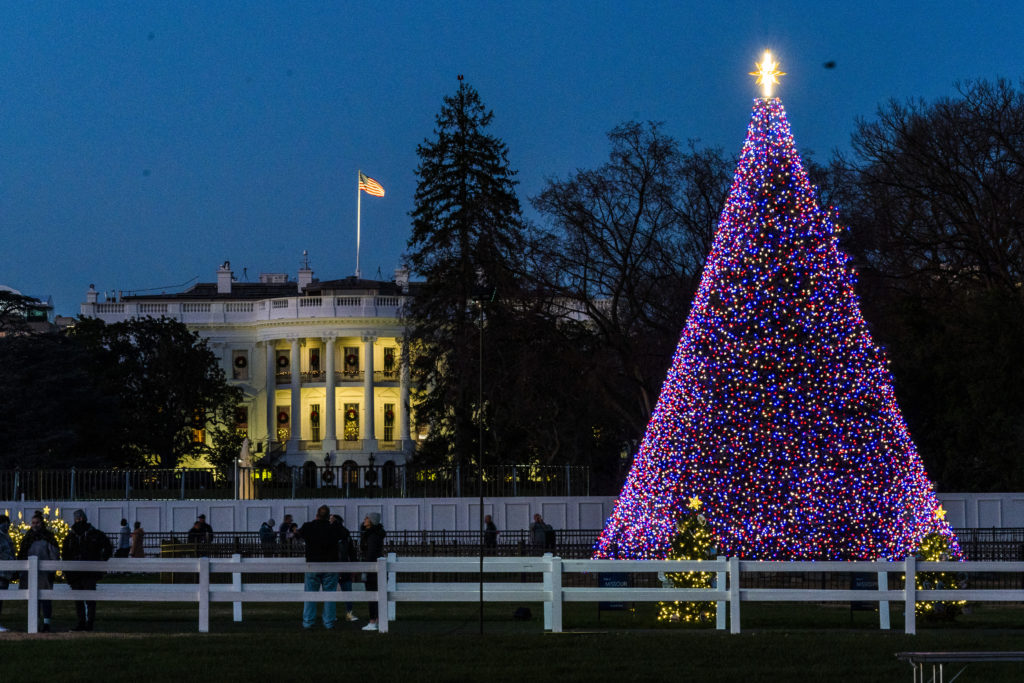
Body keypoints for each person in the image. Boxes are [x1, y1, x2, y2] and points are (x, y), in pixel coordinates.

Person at [61, 509, 113, 631]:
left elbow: (108, 547)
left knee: (90, 598)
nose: (79, 520)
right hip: (75, 573)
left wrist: (101, 561)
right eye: (77, 519)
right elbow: (65, 554)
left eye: (81, 518)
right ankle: (81, 623)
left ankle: (89, 623)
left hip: (90, 572)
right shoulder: (70, 537)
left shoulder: (95, 534)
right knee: (78, 599)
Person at [294, 505, 344, 629]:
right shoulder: (333, 528)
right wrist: (335, 523)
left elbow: (297, 535)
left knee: (310, 594)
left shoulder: (308, 526)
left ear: (316, 515)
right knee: (329, 596)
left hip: (312, 565)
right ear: (329, 517)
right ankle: (328, 622)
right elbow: (345, 534)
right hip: (330, 565)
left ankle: (308, 622)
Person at [17, 511, 60, 632]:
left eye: (37, 522)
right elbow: (22, 554)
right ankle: (34, 622)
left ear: (42, 523)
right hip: (30, 574)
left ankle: (46, 623)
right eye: (33, 523)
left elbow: (54, 554)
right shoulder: (27, 538)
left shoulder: (48, 537)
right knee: (33, 599)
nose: (35, 525)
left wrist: (51, 570)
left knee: (45, 599)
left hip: (45, 573)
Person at [359, 512, 386, 631]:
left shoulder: (372, 536)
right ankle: (378, 620)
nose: (364, 520)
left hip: (372, 570)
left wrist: (366, 569)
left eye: (366, 518)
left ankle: (372, 621)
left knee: (372, 595)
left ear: (371, 521)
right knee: (377, 595)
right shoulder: (375, 534)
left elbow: (370, 554)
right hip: (376, 569)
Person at [330, 514, 358, 622]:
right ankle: (348, 614)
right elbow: (352, 551)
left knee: (332, 592)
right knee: (347, 592)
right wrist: (354, 565)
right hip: (344, 565)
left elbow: (351, 551)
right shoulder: (346, 534)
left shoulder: (331, 533)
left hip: (334, 566)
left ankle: (332, 615)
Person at [0, 515, 15, 633]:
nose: (8, 525)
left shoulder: (6, 536)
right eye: (6, 523)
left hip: (6, 573)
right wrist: (10, 560)